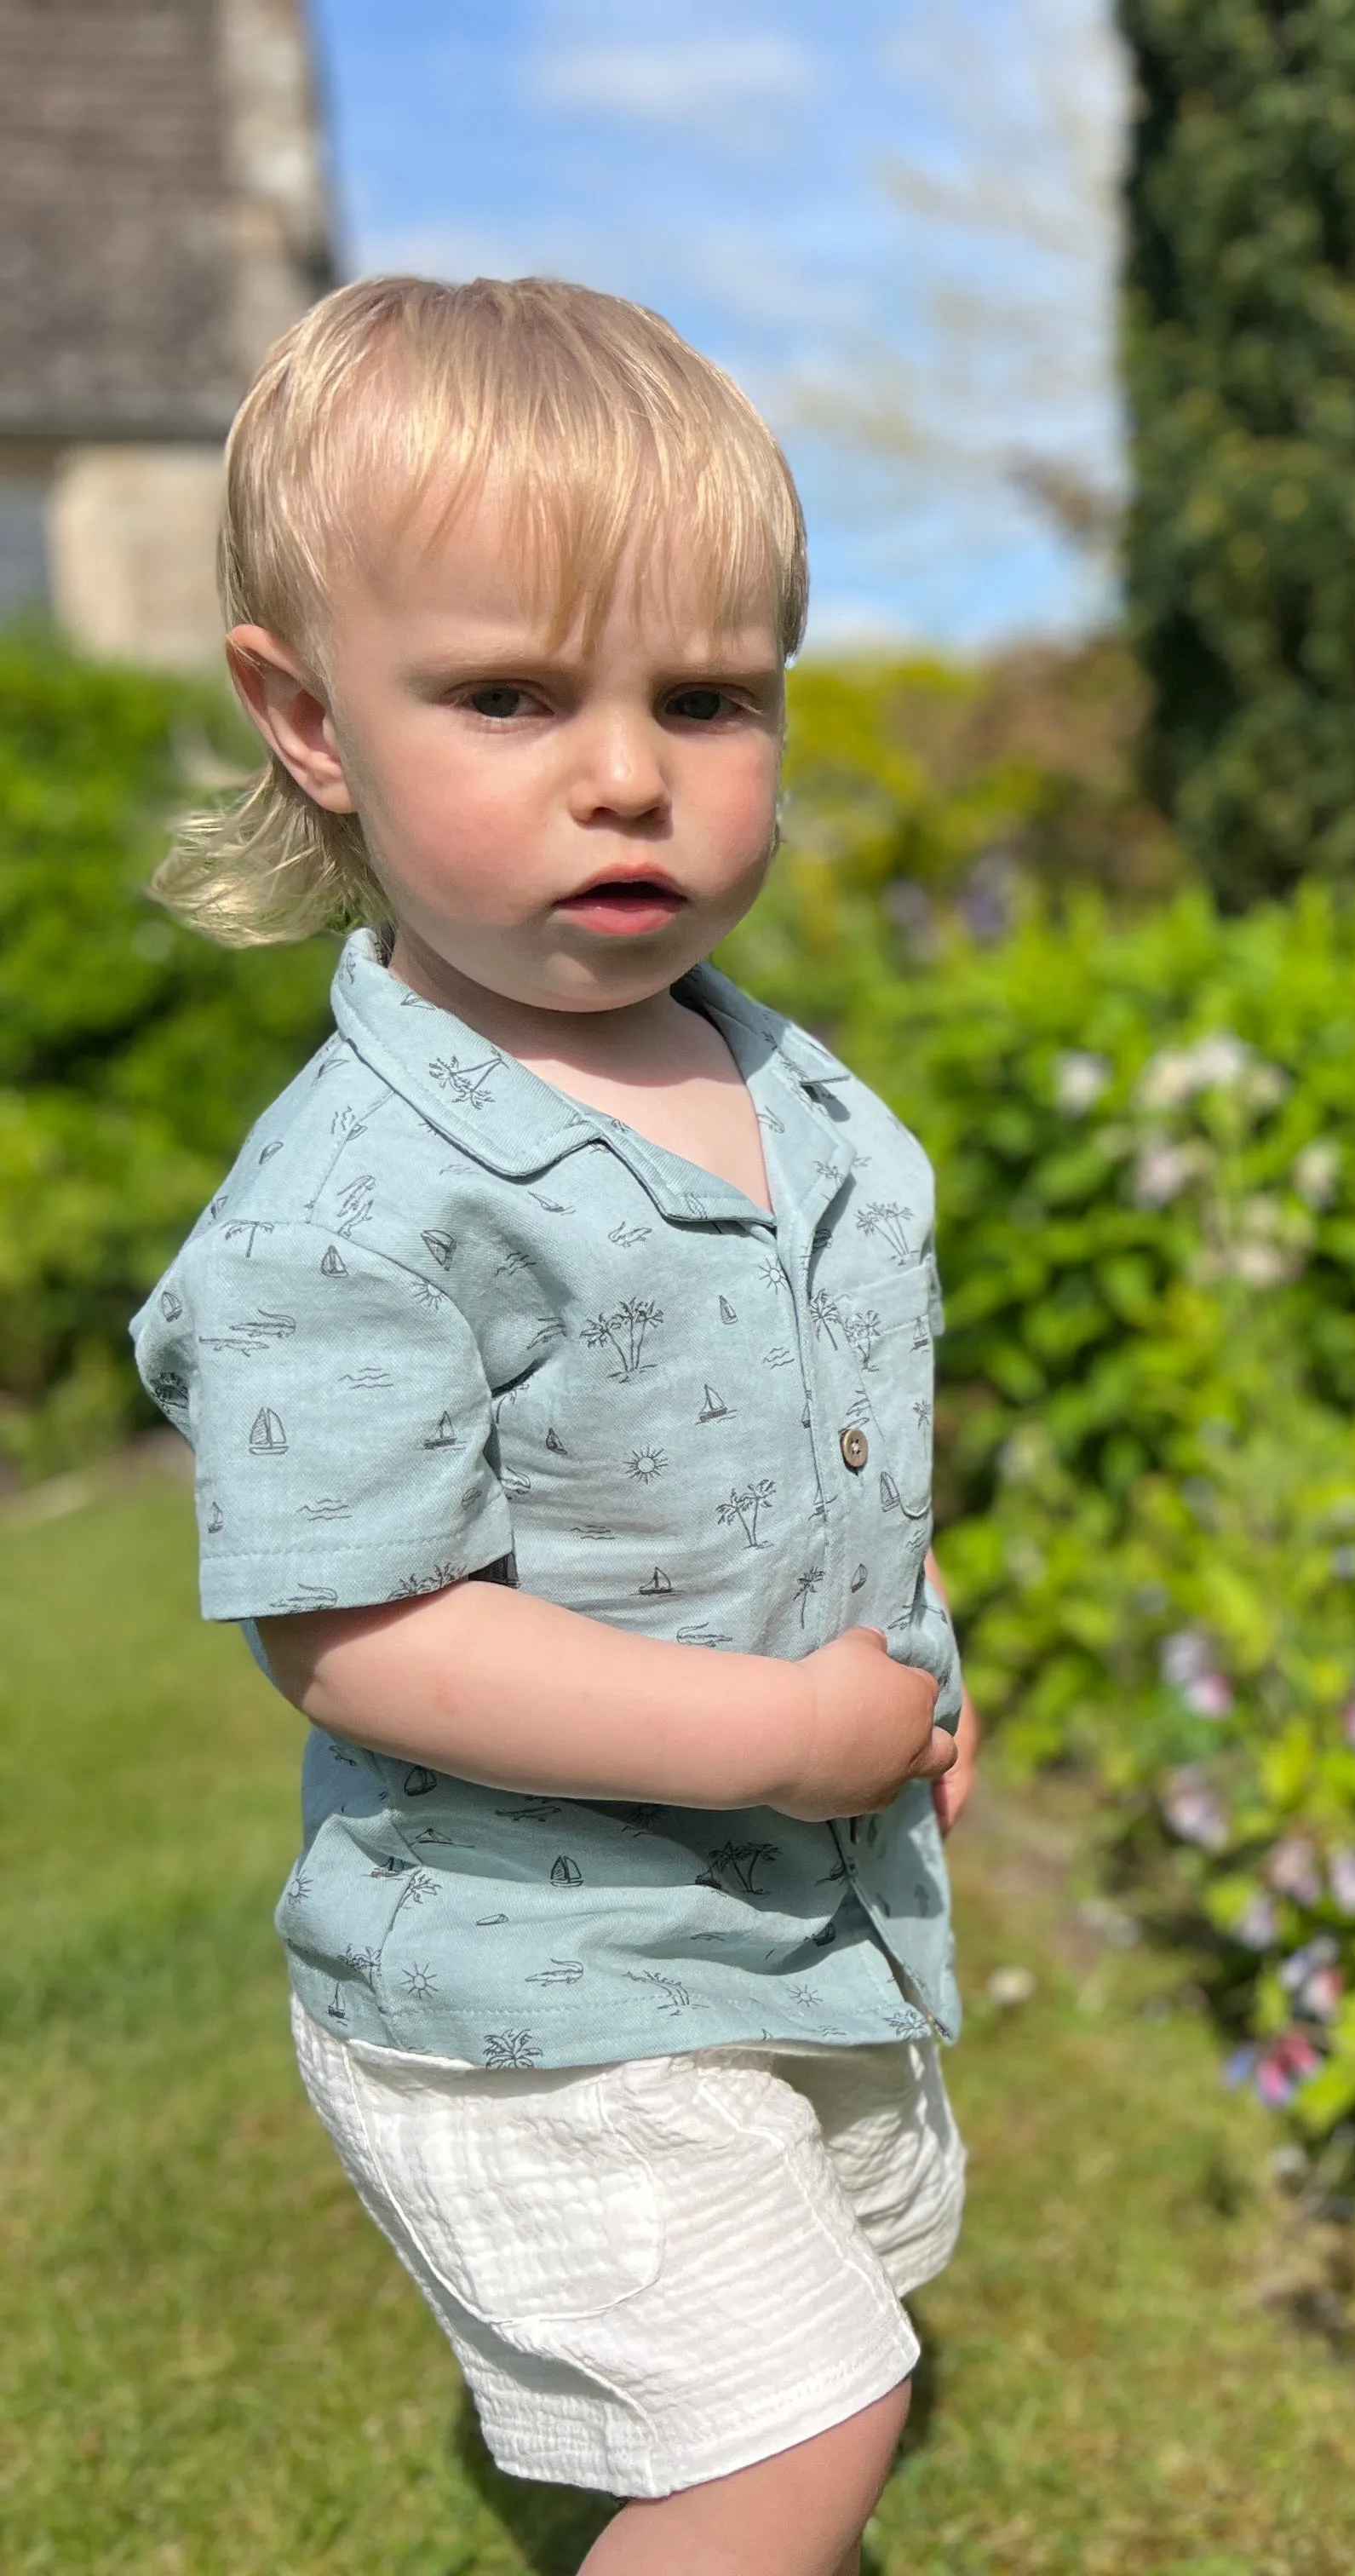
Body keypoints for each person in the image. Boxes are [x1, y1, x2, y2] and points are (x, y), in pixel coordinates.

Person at [129, 274, 976, 2575]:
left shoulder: (798, 1099)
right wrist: (784, 1738)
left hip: (794, 1924)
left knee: (850, 2295)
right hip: (537, 1976)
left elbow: (842, 1452)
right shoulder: (358, 1205)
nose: (630, 772)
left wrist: (917, 1671)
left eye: (707, 697)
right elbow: (364, 1637)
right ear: (310, 722)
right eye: (511, 696)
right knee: (796, 2429)